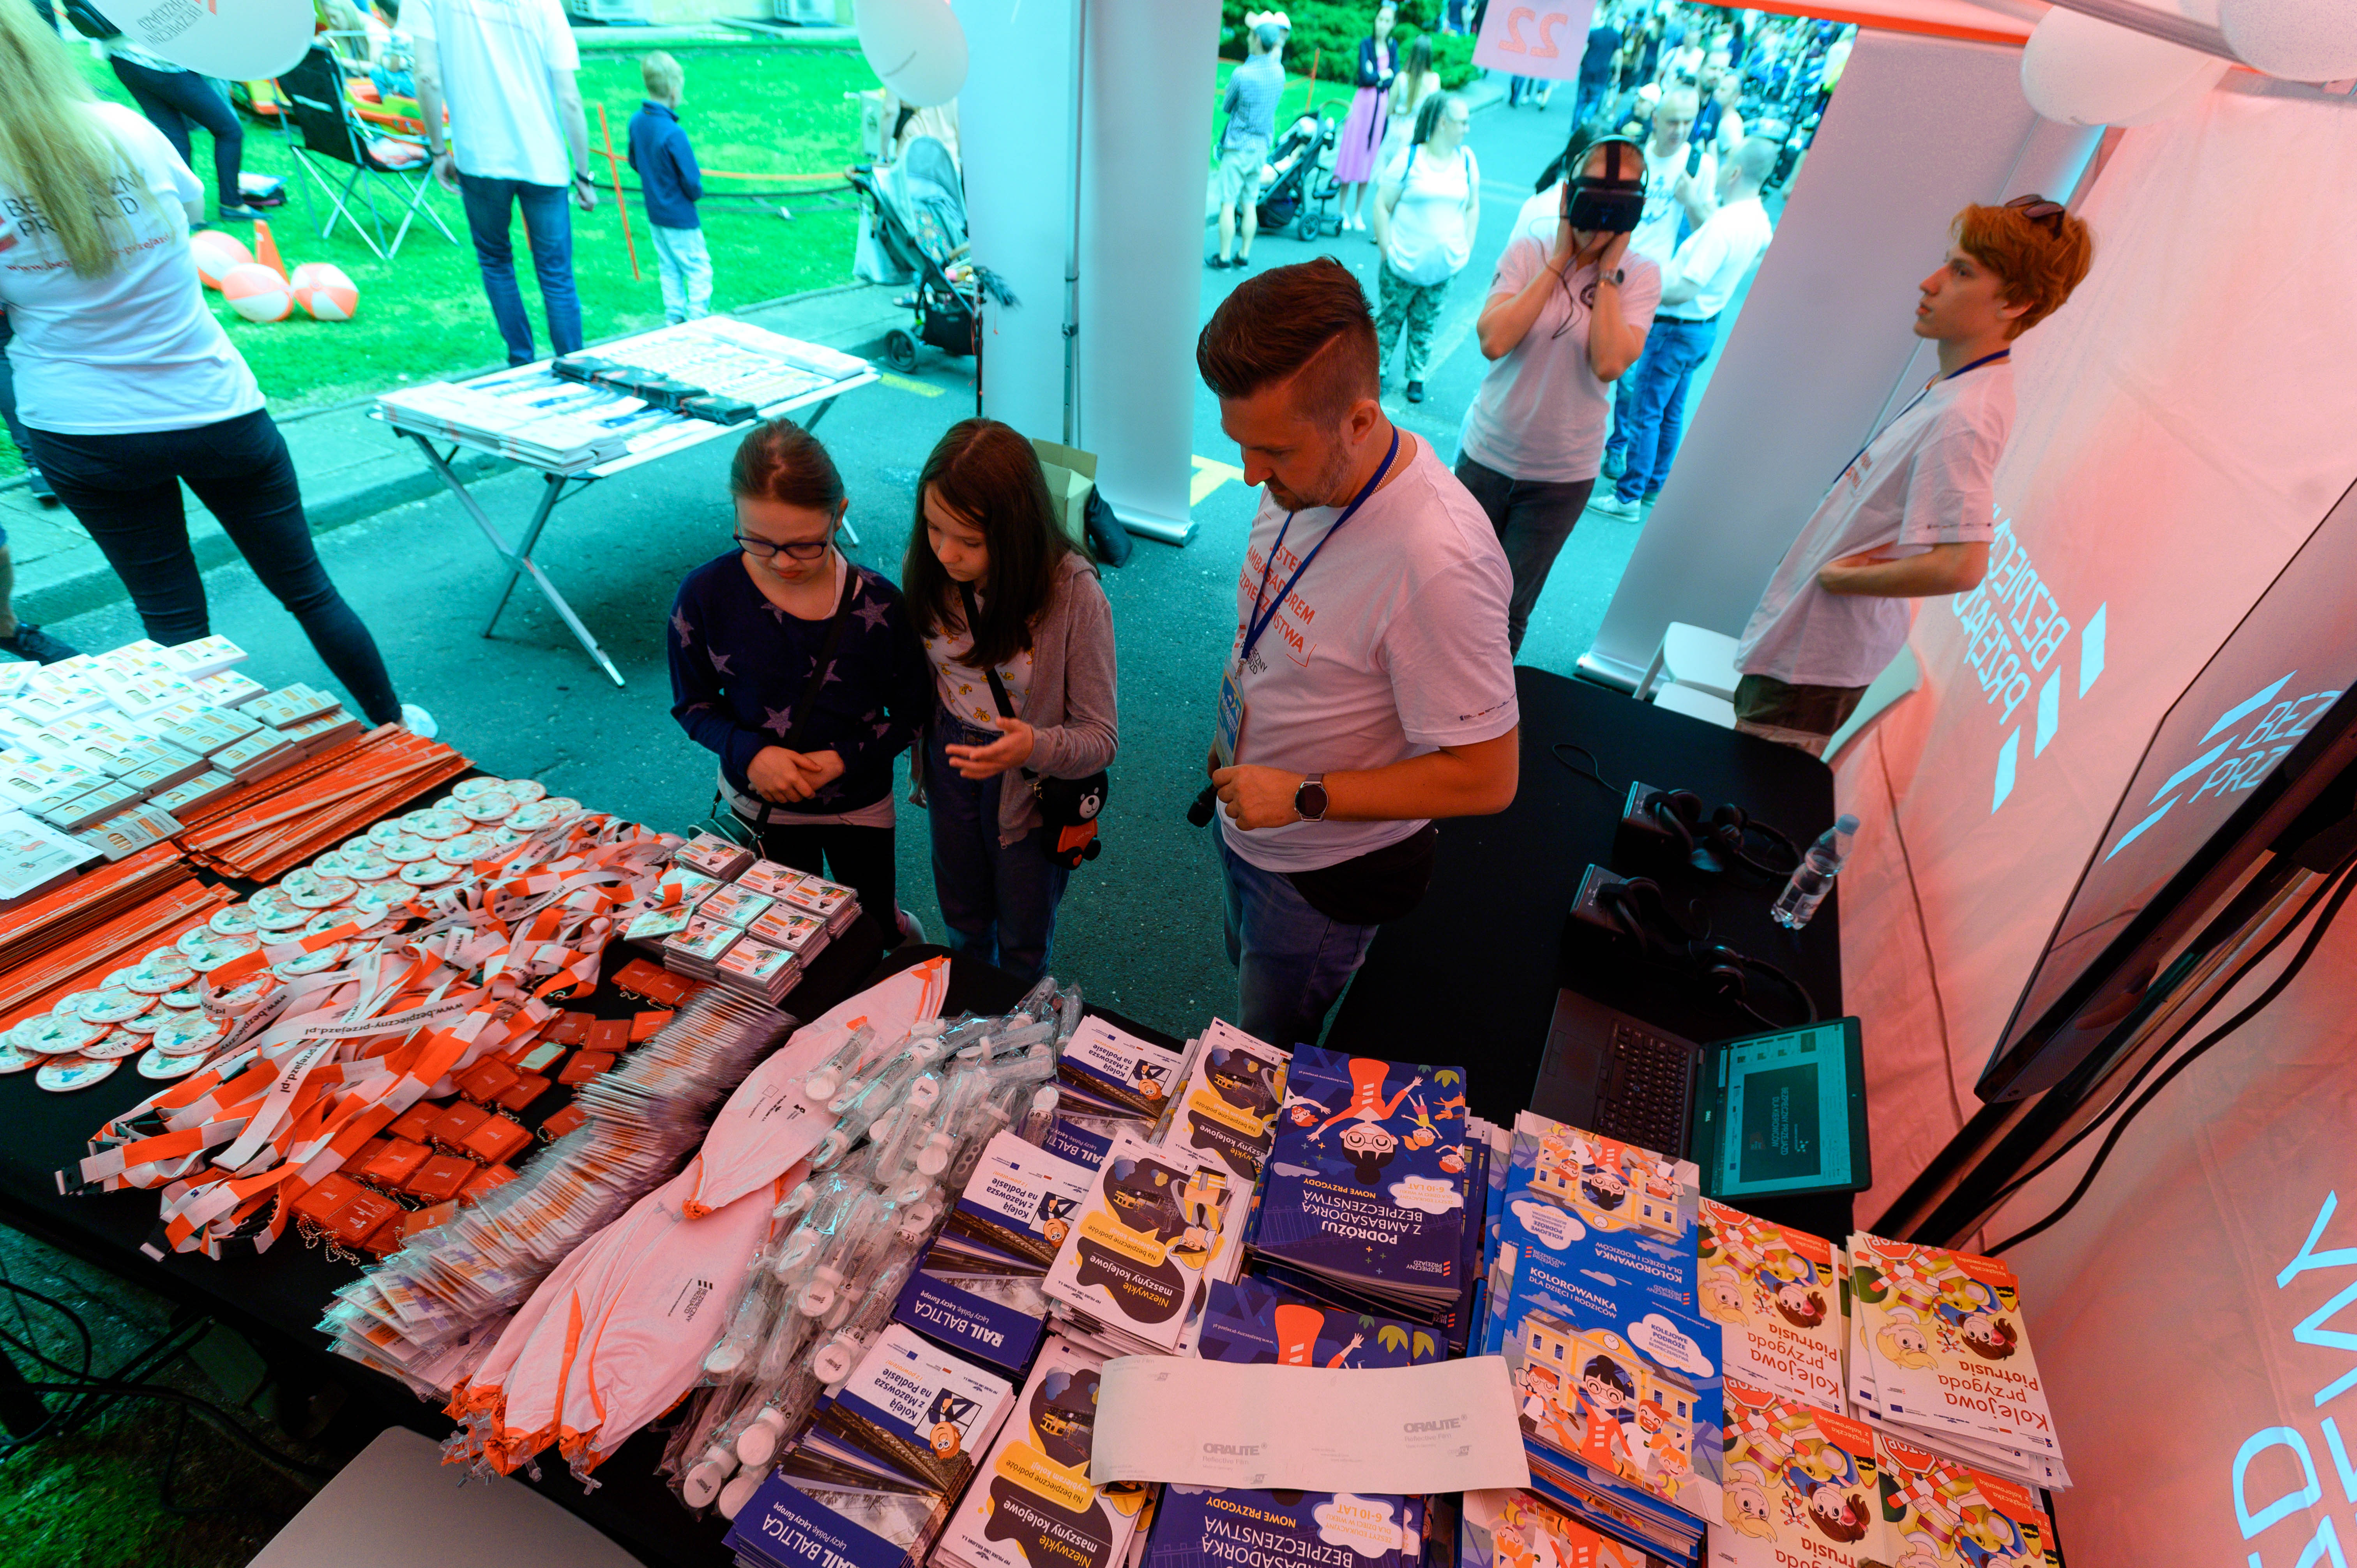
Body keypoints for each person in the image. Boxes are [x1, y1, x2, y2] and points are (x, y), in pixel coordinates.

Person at [0, 5, 426, 727]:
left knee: (172, 621)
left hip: (83, 426)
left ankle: (223, 772)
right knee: (308, 590)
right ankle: (396, 726)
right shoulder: (126, 130)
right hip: (211, 404)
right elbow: (193, 212)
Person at [1196, 258, 1520, 1049]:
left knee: (1270, 1041)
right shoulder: (1301, 480)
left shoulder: (1440, 563)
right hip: (1252, 809)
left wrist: (1302, 795)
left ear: (1360, 421)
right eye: (1241, 444)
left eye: (1273, 451)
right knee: (1246, 967)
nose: (1249, 474)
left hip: (1321, 865)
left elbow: (1488, 776)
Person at [1732, 197, 2093, 755]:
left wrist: (1839, 579)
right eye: (1948, 262)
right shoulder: (1957, 391)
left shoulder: (1965, 415)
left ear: (2016, 301)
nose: (1931, 283)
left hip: (1815, 661)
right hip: (1808, 647)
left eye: (1962, 272)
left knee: (1745, 796)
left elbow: (1962, 564)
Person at [667, 421, 930, 936]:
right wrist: (750, 754)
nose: (782, 563)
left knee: (872, 926)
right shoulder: (704, 594)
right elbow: (692, 705)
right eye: (758, 542)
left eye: (805, 545)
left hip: (859, 805)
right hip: (758, 804)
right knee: (781, 933)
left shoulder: (880, 604)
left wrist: (843, 759)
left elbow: (915, 710)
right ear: (735, 512)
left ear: (840, 515)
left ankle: (899, 932)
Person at [906, 419, 1118, 985]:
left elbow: (1101, 737)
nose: (945, 553)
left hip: (1028, 778)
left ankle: (1020, 1020)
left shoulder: (1074, 595)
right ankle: (972, 1008)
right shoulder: (929, 568)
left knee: (1024, 934)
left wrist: (1034, 746)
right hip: (950, 760)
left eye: (970, 541)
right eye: (933, 528)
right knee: (963, 917)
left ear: (1015, 532)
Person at [1458, 139, 1660, 655]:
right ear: (1570, 195)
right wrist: (1559, 262)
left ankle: (1481, 704)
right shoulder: (1530, 249)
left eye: (1622, 202)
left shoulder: (1641, 275)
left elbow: (1609, 363)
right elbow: (1494, 341)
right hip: (1487, 456)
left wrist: (1608, 275)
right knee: (1451, 586)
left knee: (1507, 609)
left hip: (1560, 477)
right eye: (1595, 198)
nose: (1605, 216)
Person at [1594, 136, 1776, 519]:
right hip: (1703, 328)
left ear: (1735, 172)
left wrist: (1631, 286)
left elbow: (1684, 289)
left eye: (1727, 161)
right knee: (1670, 412)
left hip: (1674, 329)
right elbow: (1758, 253)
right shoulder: (1757, 220)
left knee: (1646, 412)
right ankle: (1652, 485)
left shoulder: (1724, 225)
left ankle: (1628, 496)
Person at [410, 0, 595, 367]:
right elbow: (570, 98)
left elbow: (427, 76)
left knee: (496, 262)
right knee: (556, 272)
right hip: (543, 157)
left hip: (481, 155)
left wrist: (438, 149)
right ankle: (574, 366)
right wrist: (584, 175)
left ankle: (521, 362)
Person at [1371, 92, 1479, 404]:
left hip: (1443, 269)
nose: (1467, 128)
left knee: (1426, 323)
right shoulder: (1409, 159)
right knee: (1389, 319)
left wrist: (1467, 247)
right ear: (1443, 122)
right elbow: (1382, 205)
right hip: (1401, 265)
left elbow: (1473, 206)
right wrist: (1387, 251)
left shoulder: (1467, 161)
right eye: (1462, 122)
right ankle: (1377, 372)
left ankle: (1416, 376)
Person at [103, 35, 261, 224]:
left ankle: (186, 215)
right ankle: (232, 204)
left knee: (175, 139)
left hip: (122, 58)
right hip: (158, 59)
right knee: (229, 130)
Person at [629, 53, 711, 324]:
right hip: (680, 216)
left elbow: (634, 161)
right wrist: (693, 195)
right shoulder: (674, 134)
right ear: (675, 92)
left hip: (656, 214)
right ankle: (698, 321)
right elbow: (692, 181)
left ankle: (673, 318)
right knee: (698, 268)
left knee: (669, 266)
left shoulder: (637, 122)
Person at [1211, 21, 1286, 270]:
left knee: (1228, 202)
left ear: (1257, 40)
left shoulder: (1242, 75)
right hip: (1261, 148)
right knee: (1250, 202)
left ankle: (1224, 257)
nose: (1248, 39)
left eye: (1251, 35)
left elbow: (1226, 106)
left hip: (1237, 147)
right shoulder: (1280, 73)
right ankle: (1243, 255)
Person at [1334, 2, 1396, 234]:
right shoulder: (1366, 44)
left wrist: (1377, 75)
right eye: (1380, 19)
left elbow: (1394, 76)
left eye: (1387, 21)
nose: (1382, 25)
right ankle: (1342, 210)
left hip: (1379, 111)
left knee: (1369, 158)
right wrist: (1382, 75)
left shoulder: (1393, 47)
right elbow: (1364, 77)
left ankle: (1357, 211)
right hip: (1362, 107)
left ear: (1393, 24)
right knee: (1353, 153)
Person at [1376, 34, 1438, 178]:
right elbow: (1435, 113)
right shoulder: (1435, 80)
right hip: (1420, 133)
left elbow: (1388, 110)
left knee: (1389, 178)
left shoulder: (1402, 78)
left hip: (1397, 132)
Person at [1574, 7, 1623, 126]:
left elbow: (1584, 49)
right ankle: (1586, 118)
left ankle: (1575, 127)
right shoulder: (1616, 36)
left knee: (1580, 101)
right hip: (1602, 72)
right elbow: (1619, 56)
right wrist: (1618, 73)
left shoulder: (1594, 33)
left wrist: (1578, 64)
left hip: (1587, 69)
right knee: (1594, 100)